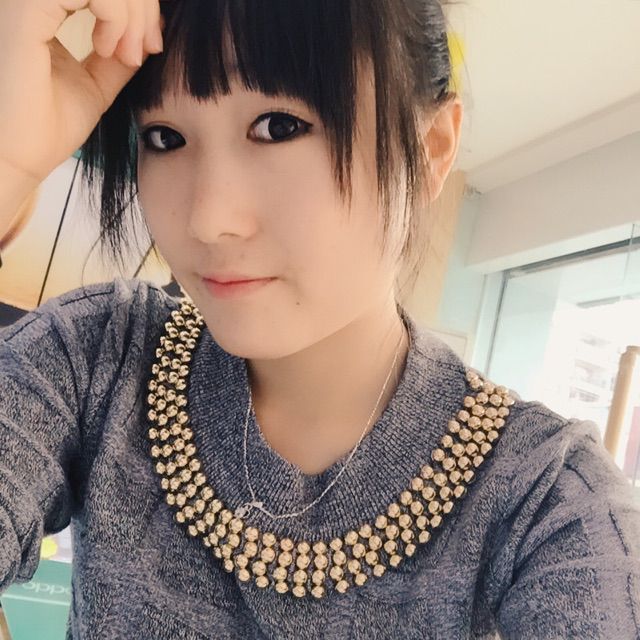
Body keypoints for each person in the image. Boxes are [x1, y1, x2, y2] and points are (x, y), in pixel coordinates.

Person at [1, 1, 639, 638]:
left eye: (278, 127)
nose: (206, 219)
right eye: (164, 138)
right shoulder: (98, 357)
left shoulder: (548, 504)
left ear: (430, 150)